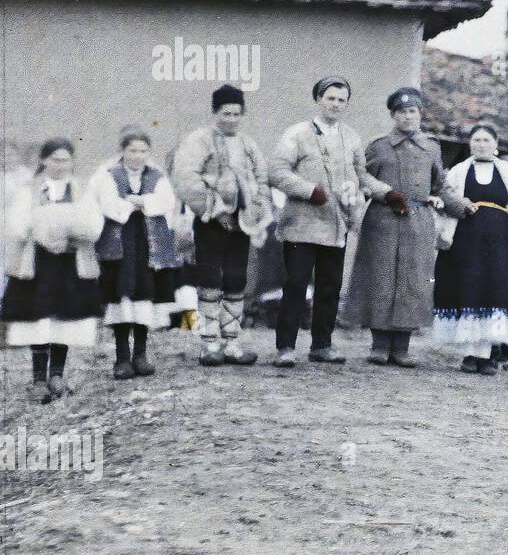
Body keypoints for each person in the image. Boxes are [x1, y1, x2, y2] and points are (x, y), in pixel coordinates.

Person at [268, 77, 396, 366]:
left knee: (330, 286)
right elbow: (276, 171)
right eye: (330, 98)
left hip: (337, 223)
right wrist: (309, 191)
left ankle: (322, 345)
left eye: (341, 100)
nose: (335, 104)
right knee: (296, 284)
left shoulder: (350, 136)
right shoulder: (297, 133)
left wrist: (387, 193)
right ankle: (285, 347)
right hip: (302, 224)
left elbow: (361, 176)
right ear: (318, 100)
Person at [342, 88, 470, 367]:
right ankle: (378, 346)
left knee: (412, 282)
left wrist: (462, 206)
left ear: (419, 114)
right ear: (393, 116)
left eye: (412, 111)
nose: (407, 117)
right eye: (401, 112)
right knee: (381, 278)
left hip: (418, 222)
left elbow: (440, 186)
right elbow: (363, 179)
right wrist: (380, 195)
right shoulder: (378, 147)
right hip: (383, 221)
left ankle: (402, 348)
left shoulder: (432, 148)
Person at [171, 84, 272, 367]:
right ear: (215, 113)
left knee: (236, 279)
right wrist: (214, 210)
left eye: (236, 114)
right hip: (212, 223)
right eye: (225, 113)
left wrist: (255, 210)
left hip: (242, 224)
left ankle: (232, 342)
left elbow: (262, 179)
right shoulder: (199, 141)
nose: (231, 119)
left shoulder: (248, 144)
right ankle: (209, 343)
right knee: (211, 280)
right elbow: (186, 179)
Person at [432, 124, 508, 374]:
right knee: (469, 289)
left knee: (493, 292)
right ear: (470, 144)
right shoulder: (459, 171)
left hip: (500, 243)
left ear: (495, 144)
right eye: (476, 140)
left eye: (485, 140)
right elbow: (444, 199)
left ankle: (486, 356)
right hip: (465, 241)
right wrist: (454, 205)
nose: (480, 144)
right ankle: (469, 355)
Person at [2, 138, 104, 402]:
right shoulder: (30, 191)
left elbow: (93, 222)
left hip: (70, 260)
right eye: (55, 159)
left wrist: (74, 231)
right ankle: (38, 379)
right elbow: (18, 224)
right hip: (38, 261)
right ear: (43, 160)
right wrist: (42, 228)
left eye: (66, 160)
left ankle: (57, 374)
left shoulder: (81, 190)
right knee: (40, 316)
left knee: (65, 315)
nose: (60, 165)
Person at [90, 127, 184, 380]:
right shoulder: (109, 174)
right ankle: (121, 357)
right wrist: (133, 203)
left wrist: (140, 201)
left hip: (148, 243)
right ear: (123, 150)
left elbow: (166, 202)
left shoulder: (156, 175)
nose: (138, 156)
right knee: (121, 296)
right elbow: (106, 203)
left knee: (144, 294)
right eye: (132, 150)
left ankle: (140, 355)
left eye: (143, 151)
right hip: (120, 243)